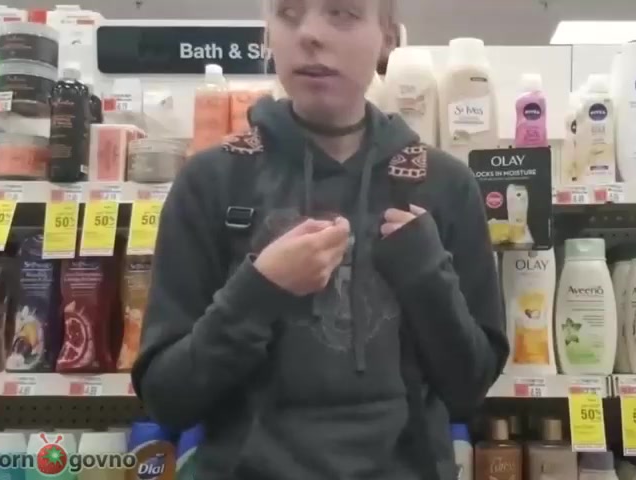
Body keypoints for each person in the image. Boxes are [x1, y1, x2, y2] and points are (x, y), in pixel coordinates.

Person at [132, 0, 508, 479]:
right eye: (289, 13)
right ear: (267, 32)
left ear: (387, 36)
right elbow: (166, 398)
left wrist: (426, 277)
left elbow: (468, 388)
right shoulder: (212, 180)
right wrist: (258, 291)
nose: (310, 33)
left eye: (342, 13)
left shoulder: (444, 185)